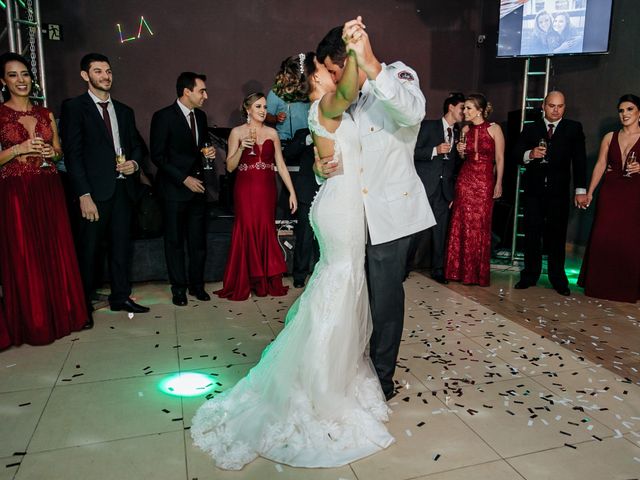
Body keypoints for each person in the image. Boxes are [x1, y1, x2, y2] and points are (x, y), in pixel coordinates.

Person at [192, 22, 394, 470]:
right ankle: (322, 383)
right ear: (317, 79)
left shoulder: (330, 112)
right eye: (326, 71)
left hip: (340, 204)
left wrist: (326, 164)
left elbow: (328, 160)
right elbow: (348, 89)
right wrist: (358, 50)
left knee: (337, 284)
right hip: (340, 211)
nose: (332, 76)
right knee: (340, 283)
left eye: (332, 70)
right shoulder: (326, 103)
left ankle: (332, 373)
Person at [315, 17, 435, 401]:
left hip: (391, 216)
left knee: (384, 303)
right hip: (354, 216)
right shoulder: (349, 100)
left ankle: (382, 379)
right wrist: (321, 169)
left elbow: (412, 114)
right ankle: (356, 366)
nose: (333, 80)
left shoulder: (397, 76)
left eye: (334, 70)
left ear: (347, 60)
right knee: (356, 297)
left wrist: (371, 64)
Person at [0, 52, 88, 344]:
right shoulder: (0, 114)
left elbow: (59, 150)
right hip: (16, 192)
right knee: (25, 253)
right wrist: (17, 149)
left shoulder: (45, 113)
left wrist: (53, 153)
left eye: (24, 74)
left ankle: (62, 313)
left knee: (55, 248)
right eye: (13, 75)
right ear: (3, 81)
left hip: (48, 188)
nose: (21, 80)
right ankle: (35, 322)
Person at [61, 53, 149, 321]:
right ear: (85, 76)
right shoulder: (75, 107)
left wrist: (134, 163)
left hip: (123, 191)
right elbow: (73, 155)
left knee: (122, 247)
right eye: (98, 71)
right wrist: (83, 195)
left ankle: (121, 297)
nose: (105, 76)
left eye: (108, 71)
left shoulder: (124, 110)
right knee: (89, 251)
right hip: (94, 194)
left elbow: (137, 146)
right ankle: (82, 307)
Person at [214, 92, 297, 301]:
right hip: (245, 189)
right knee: (247, 229)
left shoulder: (272, 133)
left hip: (267, 189)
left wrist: (291, 192)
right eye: (258, 107)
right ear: (248, 109)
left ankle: (264, 282)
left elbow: (280, 165)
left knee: (265, 229)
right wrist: (242, 147)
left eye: (264, 107)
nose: (263, 111)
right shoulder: (236, 132)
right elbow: (231, 167)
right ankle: (246, 279)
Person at [150, 72, 215, 307]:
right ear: (187, 91)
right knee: (175, 242)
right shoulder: (163, 117)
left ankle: (197, 286)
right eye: (202, 91)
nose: (206, 96)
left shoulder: (201, 116)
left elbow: (201, 146)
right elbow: (157, 155)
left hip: (197, 188)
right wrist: (183, 178)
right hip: (173, 190)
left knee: (198, 242)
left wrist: (208, 153)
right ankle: (178, 289)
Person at [514, 91, 587, 296]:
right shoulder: (531, 128)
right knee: (531, 234)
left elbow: (580, 161)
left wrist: (581, 190)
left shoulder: (573, 128)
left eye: (560, 106)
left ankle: (558, 278)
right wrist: (531, 154)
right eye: (552, 105)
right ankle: (529, 275)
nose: (556, 110)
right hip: (534, 192)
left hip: (559, 192)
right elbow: (516, 153)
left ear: (564, 107)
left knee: (557, 235)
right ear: (543, 106)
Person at [578, 94, 640, 303]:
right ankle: (599, 286)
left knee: (630, 239)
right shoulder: (609, 136)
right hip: (610, 191)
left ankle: (626, 288)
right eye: (621, 110)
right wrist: (590, 192)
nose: (625, 114)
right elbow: (600, 165)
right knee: (603, 235)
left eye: (629, 109)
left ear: (639, 112)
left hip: (634, 193)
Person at [445, 94, 504, 286]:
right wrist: (461, 150)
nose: (464, 111)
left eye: (469, 108)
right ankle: (458, 272)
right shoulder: (465, 129)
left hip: (485, 180)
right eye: (464, 108)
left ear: (479, 110)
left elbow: (500, 159)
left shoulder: (494, 129)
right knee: (461, 223)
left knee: (480, 225)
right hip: (465, 180)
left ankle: (476, 274)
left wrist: (499, 183)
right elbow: (463, 157)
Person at [413, 93, 465, 284]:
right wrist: (435, 150)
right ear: (450, 107)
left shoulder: (460, 133)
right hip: (425, 186)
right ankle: (404, 267)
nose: (464, 112)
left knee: (440, 232)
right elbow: (413, 152)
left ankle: (438, 270)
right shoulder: (428, 126)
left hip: (444, 191)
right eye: (461, 108)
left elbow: (457, 166)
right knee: (416, 230)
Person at [284, 127, 320, 288]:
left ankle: (322, 273)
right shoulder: (302, 133)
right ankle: (299, 275)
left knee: (325, 237)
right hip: (307, 191)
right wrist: (306, 140)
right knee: (305, 235)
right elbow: (288, 154)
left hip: (330, 191)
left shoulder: (337, 130)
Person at [266, 54, 310, 145]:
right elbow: (267, 116)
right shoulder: (276, 92)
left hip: (307, 140)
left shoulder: (308, 90)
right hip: (285, 142)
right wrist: (276, 118)